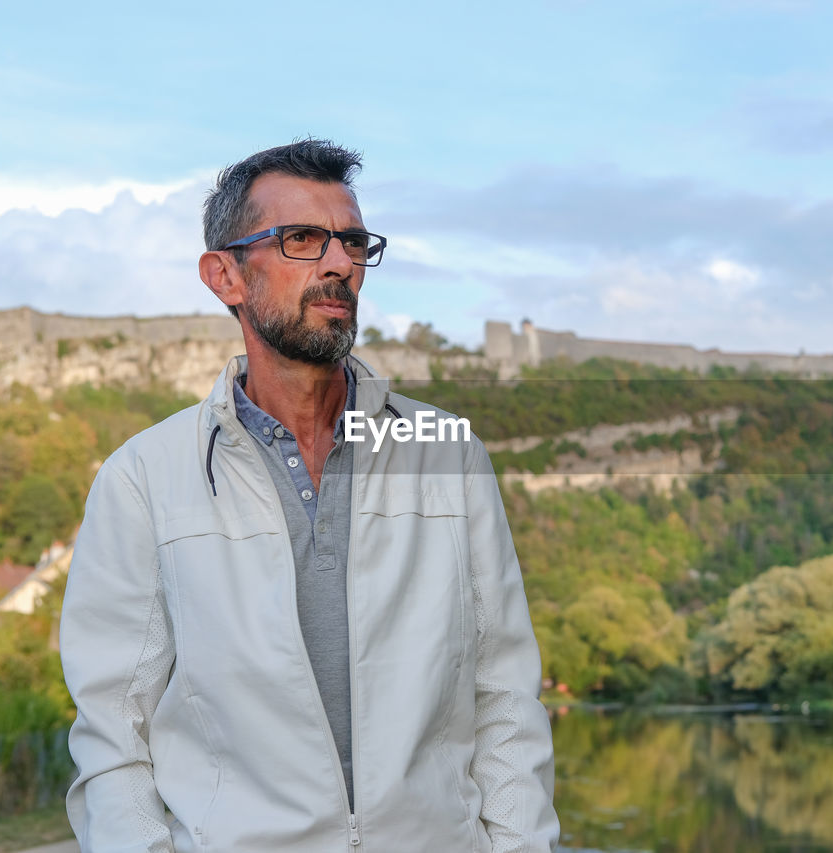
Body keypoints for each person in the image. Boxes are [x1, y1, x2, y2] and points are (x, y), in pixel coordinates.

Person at [60, 139, 559, 852]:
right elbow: (114, 732)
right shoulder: (143, 478)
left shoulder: (449, 454)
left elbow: (506, 696)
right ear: (225, 275)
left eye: (352, 242)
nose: (338, 264)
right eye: (302, 239)